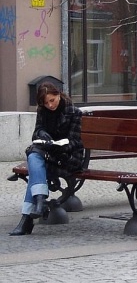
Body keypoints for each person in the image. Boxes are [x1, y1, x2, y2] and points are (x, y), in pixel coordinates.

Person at [10, 82, 84, 236]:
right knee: (34, 155)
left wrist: (60, 146)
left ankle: (27, 219)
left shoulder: (73, 112)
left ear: (58, 94)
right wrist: (41, 133)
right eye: (46, 102)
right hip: (48, 155)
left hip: (67, 158)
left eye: (52, 100)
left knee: (35, 165)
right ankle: (40, 201)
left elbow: (76, 142)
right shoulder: (42, 111)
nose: (50, 105)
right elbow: (36, 133)